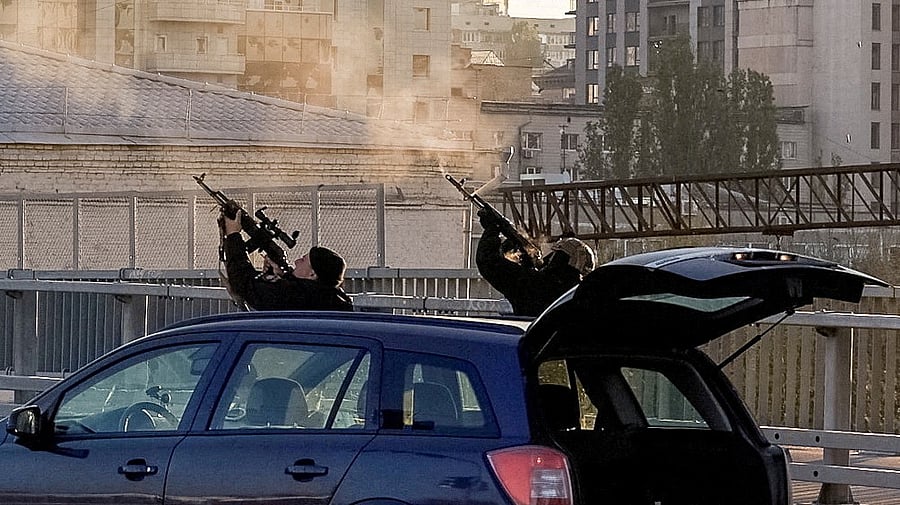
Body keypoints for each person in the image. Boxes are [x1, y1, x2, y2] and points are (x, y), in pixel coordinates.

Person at [220, 212, 353, 311]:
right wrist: (283, 275)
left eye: (303, 260)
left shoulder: (297, 295)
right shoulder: (334, 298)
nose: (296, 262)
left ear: (313, 274)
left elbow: (245, 284)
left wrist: (233, 235)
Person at [475, 208, 596, 317]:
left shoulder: (537, 284)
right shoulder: (581, 294)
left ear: (562, 260)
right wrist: (527, 263)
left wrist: (492, 230)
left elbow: (488, 261)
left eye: (555, 256)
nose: (548, 259)